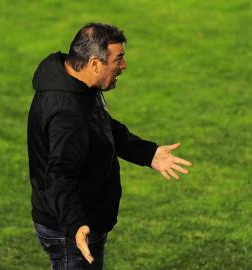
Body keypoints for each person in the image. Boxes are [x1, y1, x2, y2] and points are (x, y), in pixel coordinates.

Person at [27, 22, 193, 270]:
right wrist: (76, 226)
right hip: (72, 229)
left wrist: (149, 154)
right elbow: (60, 174)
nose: (124, 66)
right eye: (119, 58)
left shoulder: (76, 83)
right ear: (95, 63)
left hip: (75, 221)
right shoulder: (67, 115)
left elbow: (101, 127)